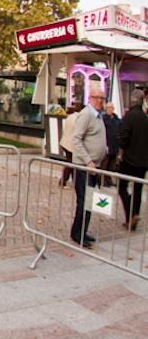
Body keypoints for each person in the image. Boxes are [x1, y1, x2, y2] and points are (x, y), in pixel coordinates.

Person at [70, 88, 108, 248]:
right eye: (97, 97)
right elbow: (76, 139)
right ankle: (77, 234)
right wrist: (88, 161)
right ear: (90, 98)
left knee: (90, 200)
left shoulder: (98, 116)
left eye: (102, 98)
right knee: (84, 200)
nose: (100, 100)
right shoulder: (86, 114)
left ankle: (82, 231)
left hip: (94, 167)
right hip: (83, 167)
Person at [118, 90, 148, 230]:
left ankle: (131, 213)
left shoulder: (129, 116)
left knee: (122, 186)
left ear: (132, 100)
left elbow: (124, 138)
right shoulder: (145, 117)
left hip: (129, 160)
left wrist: (121, 150)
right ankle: (133, 216)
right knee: (138, 189)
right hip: (143, 162)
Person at [60, 106, 80, 187]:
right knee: (70, 163)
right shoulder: (78, 119)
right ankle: (63, 181)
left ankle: (74, 181)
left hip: (65, 142)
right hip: (71, 144)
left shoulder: (70, 117)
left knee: (71, 163)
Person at [102, 102, 120, 184]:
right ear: (106, 109)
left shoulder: (117, 119)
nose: (110, 109)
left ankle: (109, 180)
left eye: (112, 108)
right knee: (105, 164)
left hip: (115, 145)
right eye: (109, 108)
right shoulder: (104, 119)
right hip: (107, 145)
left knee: (112, 165)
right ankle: (103, 180)